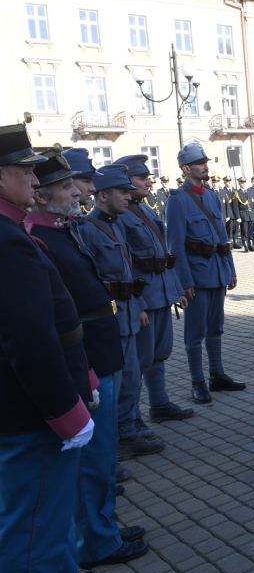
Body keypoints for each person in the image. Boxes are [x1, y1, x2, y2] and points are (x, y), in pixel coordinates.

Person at [30, 150, 153, 570]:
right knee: (93, 459)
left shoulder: (64, 228)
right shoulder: (38, 235)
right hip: (87, 354)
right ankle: (96, 543)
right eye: (68, 186)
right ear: (44, 196)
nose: (79, 192)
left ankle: (103, 525)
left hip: (102, 345)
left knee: (103, 457)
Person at [0, 125, 102, 573]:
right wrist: (68, 411)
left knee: (49, 518)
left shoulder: (12, 230)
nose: (34, 181)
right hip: (31, 413)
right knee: (32, 531)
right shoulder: (8, 241)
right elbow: (30, 341)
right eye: (24, 171)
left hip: (29, 406)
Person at [76, 164, 167, 459]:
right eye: (122, 192)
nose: (129, 197)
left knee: (131, 376)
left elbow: (127, 272)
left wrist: (140, 306)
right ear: (103, 196)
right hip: (110, 317)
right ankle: (121, 437)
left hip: (128, 313)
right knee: (116, 380)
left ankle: (129, 427)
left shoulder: (116, 223)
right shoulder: (86, 229)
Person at [113, 156, 194, 425]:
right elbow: (123, 266)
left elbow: (162, 256)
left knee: (160, 352)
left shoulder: (146, 210)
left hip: (160, 293)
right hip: (143, 297)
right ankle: (131, 418)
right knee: (138, 360)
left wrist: (176, 289)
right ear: (126, 182)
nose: (149, 181)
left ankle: (159, 404)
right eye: (141, 178)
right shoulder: (120, 217)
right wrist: (137, 305)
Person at [166, 143, 244, 403]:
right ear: (187, 169)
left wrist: (230, 268)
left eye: (205, 162)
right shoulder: (177, 200)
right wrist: (184, 282)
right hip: (196, 277)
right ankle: (197, 382)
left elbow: (223, 237)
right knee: (195, 331)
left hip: (218, 272)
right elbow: (175, 246)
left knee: (216, 327)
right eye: (200, 163)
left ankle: (217, 375)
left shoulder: (211, 195)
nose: (205, 166)